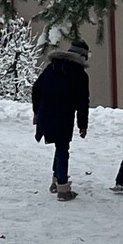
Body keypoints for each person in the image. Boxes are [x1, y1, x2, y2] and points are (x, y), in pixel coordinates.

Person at [32, 40, 91, 201]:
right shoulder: (80, 74)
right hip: (64, 116)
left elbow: (36, 89)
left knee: (59, 148)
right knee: (62, 148)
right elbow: (82, 102)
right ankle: (63, 189)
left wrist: (37, 112)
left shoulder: (51, 67)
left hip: (46, 113)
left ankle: (56, 181)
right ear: (82, 56)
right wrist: (83, 125)